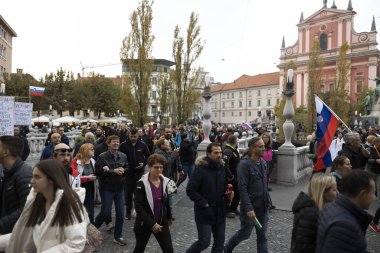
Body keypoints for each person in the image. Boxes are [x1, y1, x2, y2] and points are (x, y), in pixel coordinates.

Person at [0, 159, 87, 252]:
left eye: (37, 177)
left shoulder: (69, 204)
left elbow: (76, 243)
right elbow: (22, 236)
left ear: (52, 179)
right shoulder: (34, 200)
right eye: (33, 176)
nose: (32, 181)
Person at [224, 137, 270, 253]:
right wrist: (249, 208)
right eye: (261, 146)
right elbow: (242, 189)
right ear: (253, 149)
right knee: (244, 234)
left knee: (262, 236)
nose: (264, 148)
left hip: (263, 207)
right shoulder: (244, 164)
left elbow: (264, 185)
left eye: (264, 146)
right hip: (250, 208)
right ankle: (227, 248)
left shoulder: (264, 163)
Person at [316, 170, 376, 253]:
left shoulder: (331, 206)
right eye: (373, 193)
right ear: (362, 194)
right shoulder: (344, 226)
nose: (374, 198)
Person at [186, 143, 228, 253]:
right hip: (205, 212)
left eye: (220, 152)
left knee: (220, 242)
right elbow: (190, 190)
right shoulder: (200, 169)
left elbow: (223, 187)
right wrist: (203, 202)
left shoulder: (222, 167)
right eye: (216, 153)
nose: (219, 155)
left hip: (220, 211)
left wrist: (228, 194)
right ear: (209, 154)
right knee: (204, 242)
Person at [133, 154, 174, 253]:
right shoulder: (141, 183)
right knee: (139, 248)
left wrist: (169, 216)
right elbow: (138, 206)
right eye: (156, 167)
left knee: (169, 250)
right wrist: (152, 224)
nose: (159, 169)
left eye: (161, 167)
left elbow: (166, 201)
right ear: (149, 167)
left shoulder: (165, 181)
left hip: (161, 222)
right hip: (144, 223)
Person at [94, 135, 128, 246]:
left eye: (117, 142)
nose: (116, 144)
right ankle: (92, 230)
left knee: (120, 214)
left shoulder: (123, 156)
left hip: (120, 188)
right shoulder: (102, 157)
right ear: (108, 144)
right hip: (107, 188)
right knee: (105, 212)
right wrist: (112, 171)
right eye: (114, 142)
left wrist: (124, 170)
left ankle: (118, 236)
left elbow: (127, 168)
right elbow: (98, 172)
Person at [290, 174, 337, 253]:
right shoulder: (310, 214)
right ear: (323, 192)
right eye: (334, 190)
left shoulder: (319, 208)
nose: (338, 193)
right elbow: (304, 247)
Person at [0, 136, 32, 234]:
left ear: (5, 152)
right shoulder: (9, 173)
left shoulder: (24, 174)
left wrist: (1, 224)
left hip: (16, 236)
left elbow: (27, 210)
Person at [119, 128, 150, 220]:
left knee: (138, 192)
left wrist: (143, 163)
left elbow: (148, 156)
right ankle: (128, 211)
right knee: (128, 193)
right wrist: (125, 166)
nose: (133, 138)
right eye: (131, 136)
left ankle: (138, 210)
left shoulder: (143, 144)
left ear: (138, 135)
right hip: (128, 173)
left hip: (139, 173)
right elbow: (119, 157)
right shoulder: (123, 145)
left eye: (135, 136)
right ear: (128, 135)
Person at [72, 143, 97, 224]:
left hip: (91, 189)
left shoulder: (93, 161)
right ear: (85, 150)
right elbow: (73, 178)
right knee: (80, 212)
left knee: (90, 212)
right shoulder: (76, 162)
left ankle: (91, 231)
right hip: (80, 189)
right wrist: (87, 178)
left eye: (93, 149)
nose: (93, 150)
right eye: (91, 149)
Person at [223, 134, 241, 218]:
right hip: (230, 177)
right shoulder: (228, 151)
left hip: (235, 175)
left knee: (238, 192)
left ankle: (233, 208)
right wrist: (231, 176)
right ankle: (226, 210)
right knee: (228, 193)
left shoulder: (233, 150)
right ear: (234, 141)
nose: (238, 141)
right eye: (237, 140)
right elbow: (225, 165)